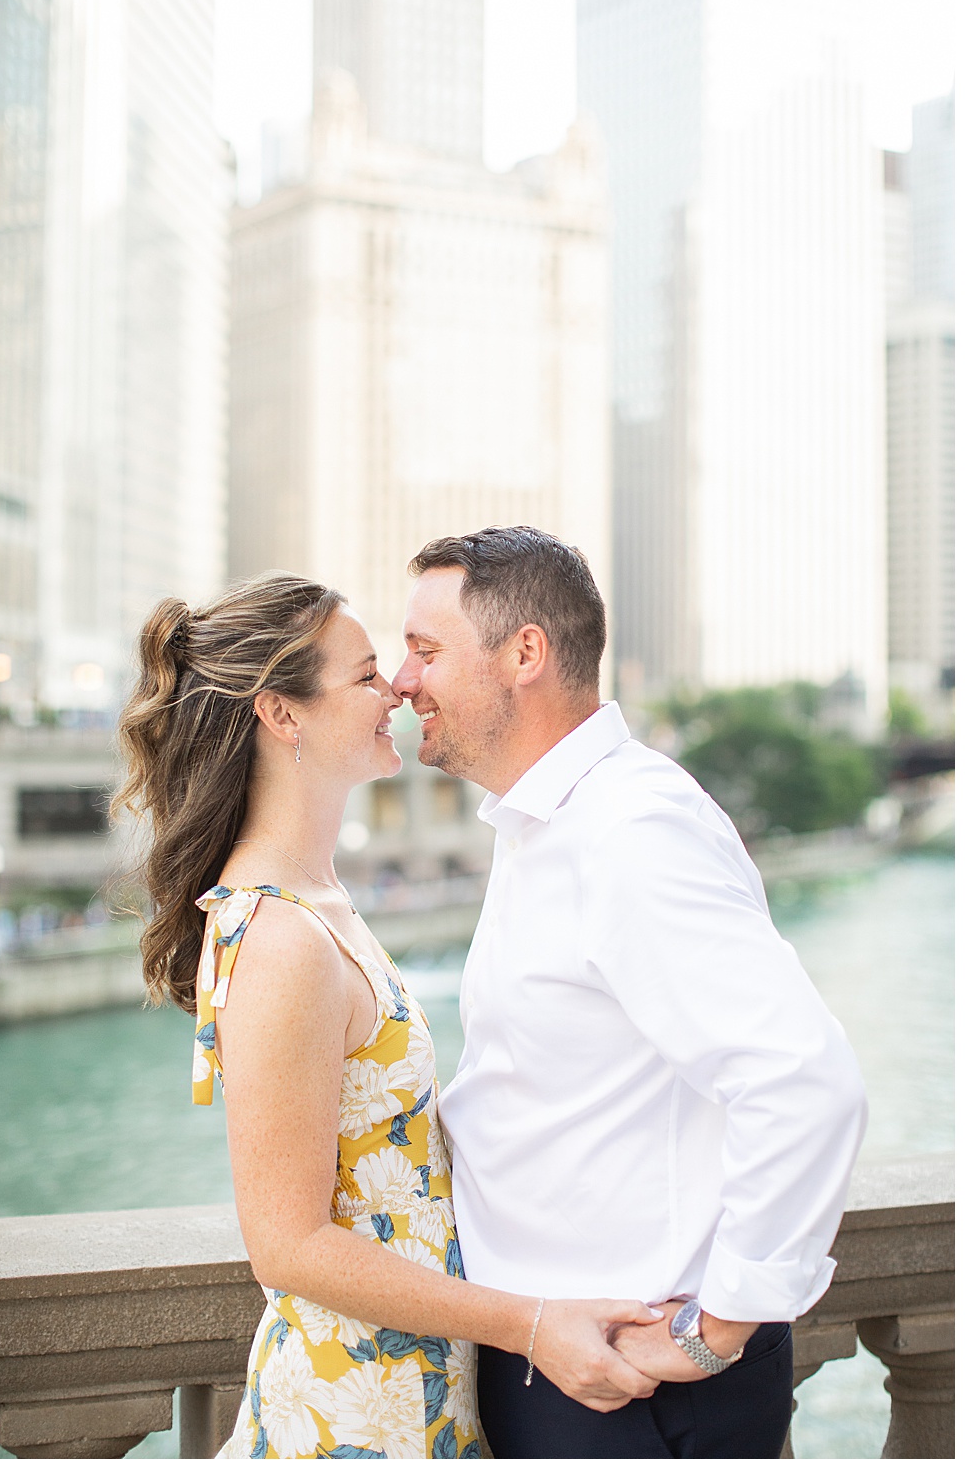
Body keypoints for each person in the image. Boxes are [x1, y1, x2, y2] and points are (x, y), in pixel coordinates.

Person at [117, 573, 666, 1459]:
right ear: (281, 715)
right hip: (350, 1416)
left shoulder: (319, 900)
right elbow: (288, 1246)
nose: (398, 690)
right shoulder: (283, 938)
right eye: (366, 675)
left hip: (404, 1392)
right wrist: (529, 1323)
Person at [391, 526, 867, 1457]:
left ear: (525, 653)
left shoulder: (628, 832)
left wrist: (716, 1330)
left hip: (628, 1394)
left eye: (425, 650)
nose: (404, 682)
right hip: (562, 1365)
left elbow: (804, 1080)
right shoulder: (547, 823)